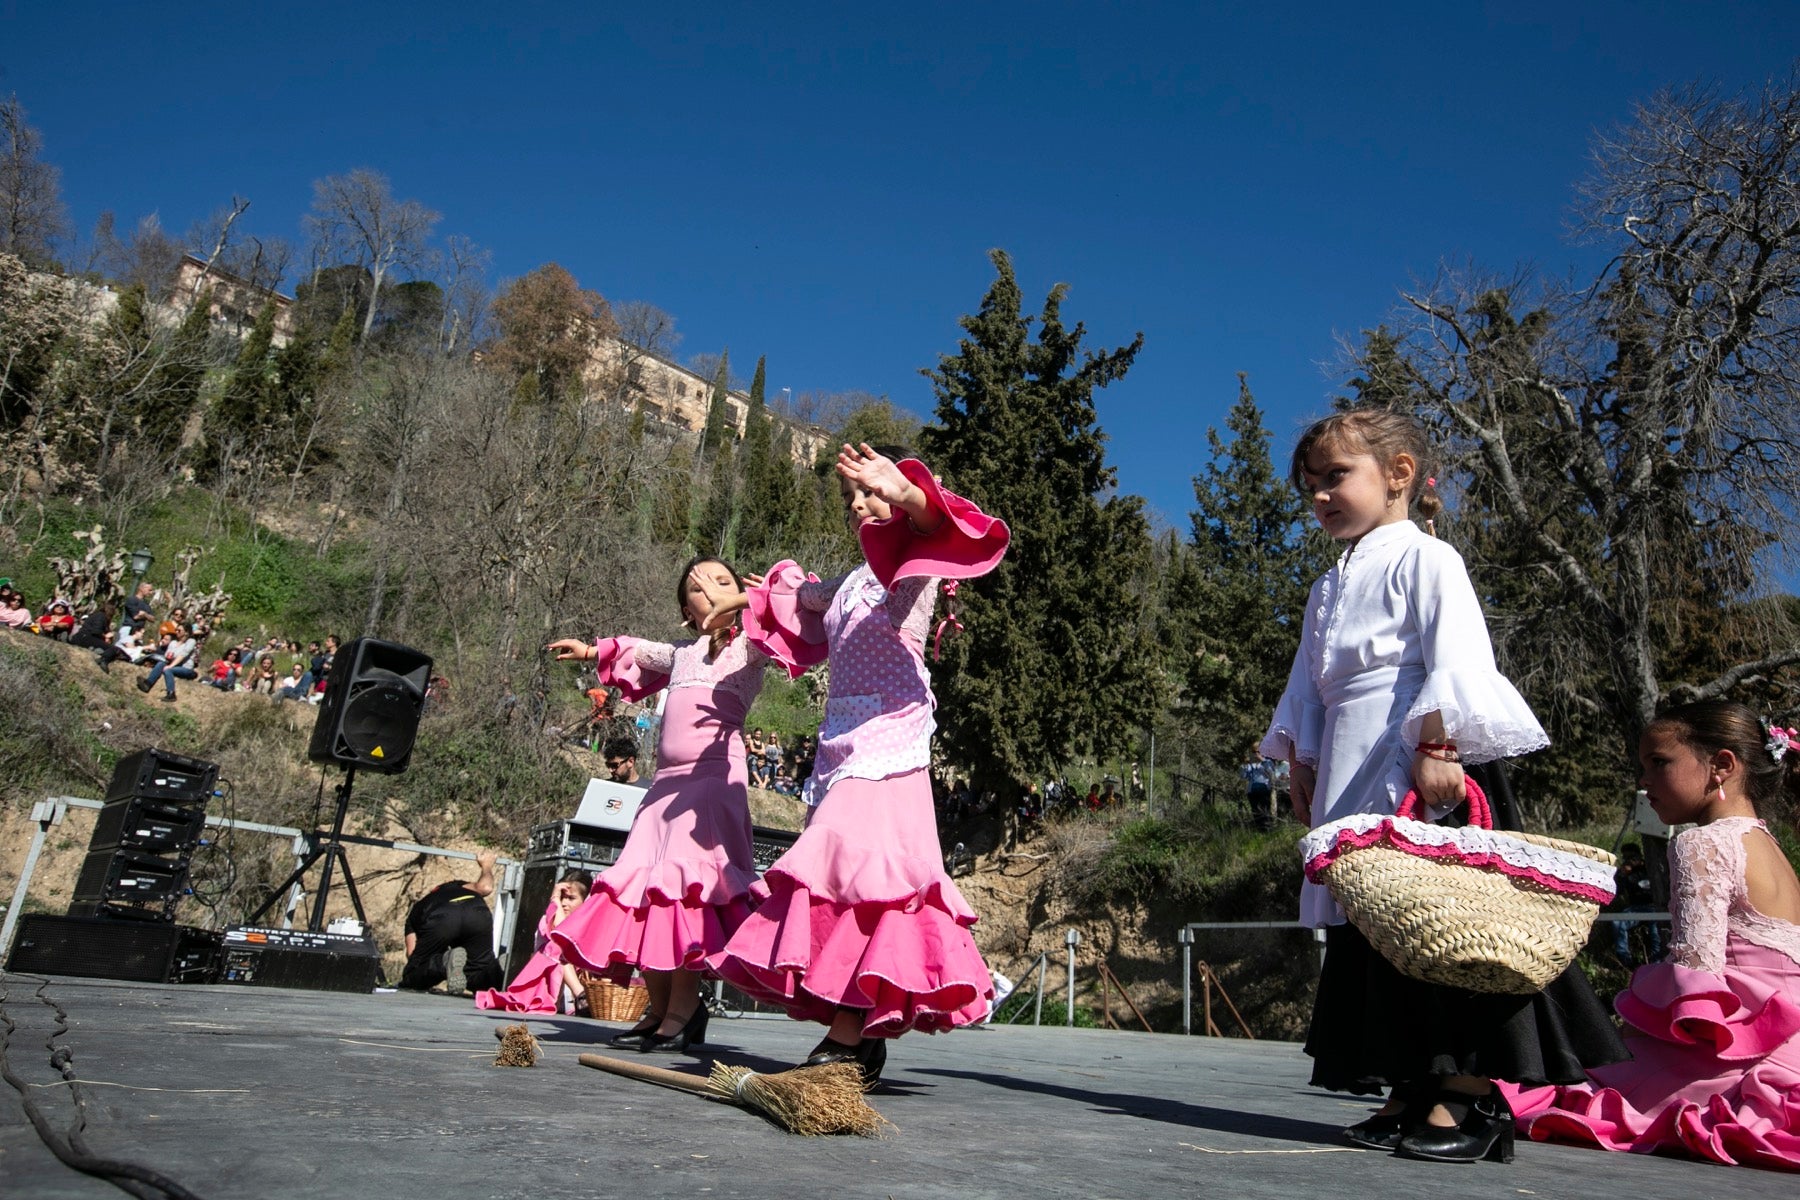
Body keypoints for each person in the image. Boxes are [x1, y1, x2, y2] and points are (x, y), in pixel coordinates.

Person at [1260, 407, 1625, 1164]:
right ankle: (1410, 1082)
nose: (1322, 496)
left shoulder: (1428, 560)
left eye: (1337, 477)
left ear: (1397, 476)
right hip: (1349, 767)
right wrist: (1299, 758)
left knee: (1450, 924)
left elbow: (1457, 654)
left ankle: (1470, 1093)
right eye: (1311, 486)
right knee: (1379, 924)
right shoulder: (1327, 587)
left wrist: (1440, 741)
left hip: (1416, 758)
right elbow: (1311, 684)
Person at [706, 442, 1010, 1084]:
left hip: (890, 738)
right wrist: (738, 602)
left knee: (861, 878)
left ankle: (846, 1038)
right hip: (841, 741)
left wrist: (903, 491)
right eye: (852, 499)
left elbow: (935, 521)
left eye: (870, 492)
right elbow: (798, 598)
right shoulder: (849, 582)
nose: (859, 505)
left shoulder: (914, 564)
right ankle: (860, 1037)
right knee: (850, 884)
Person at [1504, 703, 1800, 1171]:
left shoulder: (1701, 842)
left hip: (1728, 1047)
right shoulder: (1768, 845)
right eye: (1643, 767)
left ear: (1722, 765)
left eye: (1659, 763)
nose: (1644, 781)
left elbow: (1696, 971)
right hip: (1788, 1044)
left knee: (1567, 1093)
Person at [545, 557, 782, 1054]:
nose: (713, 590)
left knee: (687, 896)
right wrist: (591, 650)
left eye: (724, 583)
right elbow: (637, 650)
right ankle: (656, 1010)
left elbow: (781, 618)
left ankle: (684, 1011)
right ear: (685, 610)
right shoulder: (680, 652)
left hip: (713, 783)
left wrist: (753, 598)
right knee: (648, 895)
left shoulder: (749, 647)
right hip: (664, 790)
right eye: (699, 587)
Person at [476, 870, 593, 1015]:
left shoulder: (588, 925)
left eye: (571, 898)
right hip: (549, 988)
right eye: (561, 897)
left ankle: (586, 999)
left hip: (581, 985)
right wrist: (554, 899)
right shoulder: (548, 918)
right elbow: (561, 932)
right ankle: (580, 995)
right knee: (558, 945)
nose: (564, 903)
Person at [400, 851, 503, 995]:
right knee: (480, 969)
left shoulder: (420, 906)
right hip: (476, 913)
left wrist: (437, 959)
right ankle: (500, 969)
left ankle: (445, 961)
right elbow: (485, 887)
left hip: (440, 917)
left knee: (414, 975)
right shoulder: (460, 886)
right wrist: (486, 865)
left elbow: (412, 954)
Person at [1609, 843, 1664, 966]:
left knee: (1655, 930)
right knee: (1618, 922)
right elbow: (1617, 892)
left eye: (1632, 858)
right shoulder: (1626, 873)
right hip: (1636, 908)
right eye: (1626, 858)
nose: (1630, 861)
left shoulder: (1650, 868)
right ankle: (1625, 959)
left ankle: (1656, 961)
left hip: (1654, 907)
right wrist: (1622, 876)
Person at [139, 623, 198, 702]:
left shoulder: (191, 641)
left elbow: (183, 655)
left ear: (186, 632)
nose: (177, 632)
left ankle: (171, 693)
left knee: (168, 670)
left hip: (185, 668)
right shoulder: (173, 643)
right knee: (161, 664)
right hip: (174, 665)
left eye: (179, 630)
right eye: (176, 630)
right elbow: (167, 655)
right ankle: (148, 684)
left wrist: (171, 665)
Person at [1240, 749, 1274, 830]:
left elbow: (1271, 773)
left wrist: (1262, 761)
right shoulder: (1250, 765)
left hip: (1264, 789)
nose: (1256, 754)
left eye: (1258, 752)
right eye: (1254, 752)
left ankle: (1268, 828)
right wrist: (1245, 765)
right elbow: (1243, 776)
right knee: (1255, 810)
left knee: (1265, 809)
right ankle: (1259, 828)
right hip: (1252, 790)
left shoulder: (1267, 762)